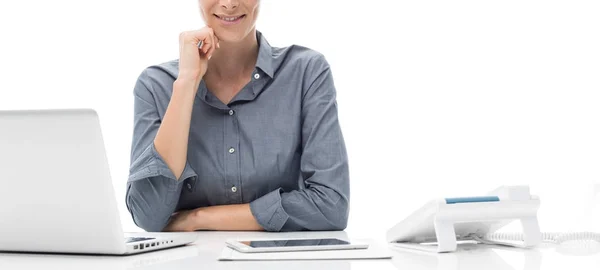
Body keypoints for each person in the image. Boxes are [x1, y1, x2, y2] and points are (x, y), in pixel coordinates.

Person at [125, 0, 349, 232]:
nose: (229, 4)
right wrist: (186, 83)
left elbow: (330, 207)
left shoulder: (306, 72)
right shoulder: (155, 85)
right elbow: (148, 216)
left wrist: (199, 218)